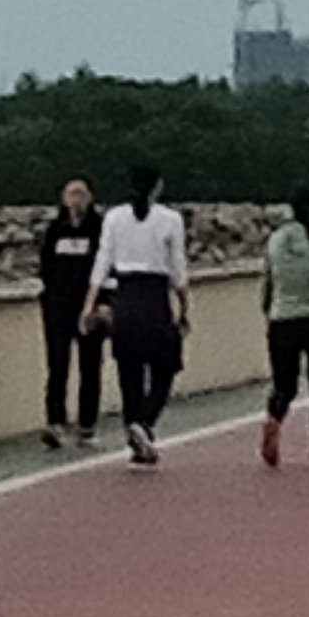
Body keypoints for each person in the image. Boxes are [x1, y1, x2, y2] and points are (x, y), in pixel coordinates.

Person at [85, 163, 190, 465]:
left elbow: (102, 261)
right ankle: (144, 420)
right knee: (165, 366)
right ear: (157, 187)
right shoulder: (171, 219)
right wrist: (184, 307)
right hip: (155, 297)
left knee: (129, 369)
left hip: (125, 296)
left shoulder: (114, 218)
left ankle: (133, 427)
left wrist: (89, 304)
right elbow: (178, 269)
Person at [259, 182, 309, 468]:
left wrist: (267, 309)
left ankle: (274, 418)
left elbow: (268, 279)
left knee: (285, 384)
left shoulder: (276, 240)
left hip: (281, 317)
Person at [36, 177, 105, 449]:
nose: (76, 200)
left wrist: (101, 303)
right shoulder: (56, 229)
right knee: (57, 363)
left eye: (80, 194)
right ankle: (55, 421)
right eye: (71, 195)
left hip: (88, 305)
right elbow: (45, 265)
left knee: (90, 365)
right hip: (58, 306)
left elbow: (105, 266)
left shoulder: (99, 229)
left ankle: (87, 423)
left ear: (89, 198)